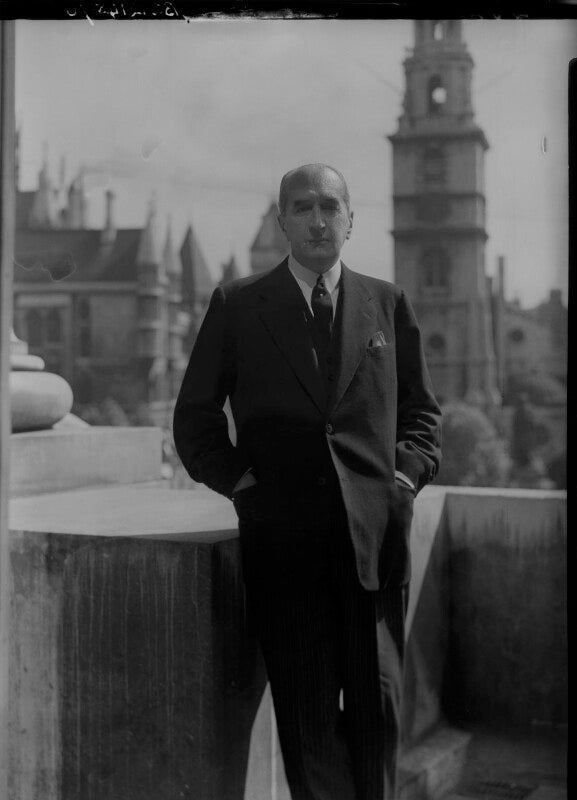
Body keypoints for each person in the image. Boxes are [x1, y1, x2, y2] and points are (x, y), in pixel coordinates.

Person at [173, 163, 442, 800]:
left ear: (351, 221)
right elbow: (195, 419)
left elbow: (423, 416)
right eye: (303, 208)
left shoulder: (387, 302)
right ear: (282, 221)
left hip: (375, 550)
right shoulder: (237, 304)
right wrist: (242, 486)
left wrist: (402, 482)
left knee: (378, 717)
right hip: (283, 549)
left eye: (330, 207)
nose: (318, 221)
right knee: (308, 723)